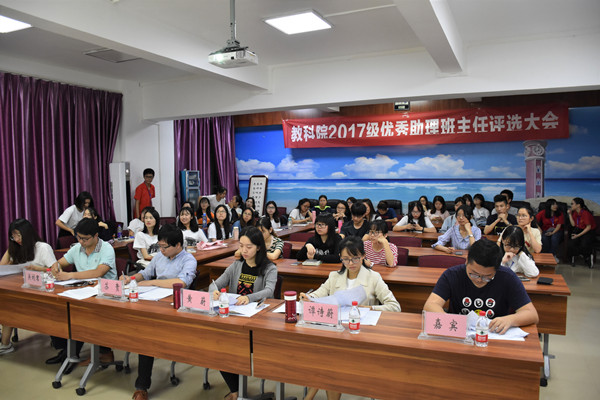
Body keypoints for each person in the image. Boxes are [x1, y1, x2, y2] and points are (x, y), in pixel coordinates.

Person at [300, 236, 401, 400]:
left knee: (329, 360)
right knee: (327, 358)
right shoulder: (334, 276)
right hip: (336, 332)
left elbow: (395, 307)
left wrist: (370, 308)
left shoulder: (373, 277)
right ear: (340, 258)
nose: (351, 263)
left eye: (355, 258)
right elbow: (318, 294)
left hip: (361, 336)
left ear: (363, 256)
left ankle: (308, 397)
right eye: (346, 259)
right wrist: (308, 297)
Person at [124, 225, 197, 400]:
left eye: (165, 247)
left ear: (178, 245)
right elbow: (145, 273)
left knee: (147, 334)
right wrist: (131, 278)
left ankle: (142, 387)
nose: (161, 250)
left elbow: (181, 282)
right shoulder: (159, 257)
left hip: (176, 308)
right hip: (154, 302)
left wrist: (151, 283)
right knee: (143, 332)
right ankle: (141, 385)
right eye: (160, 246)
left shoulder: (188, 260)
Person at [210, 226, 277, 400]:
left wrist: (249, 298)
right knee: (217, 346)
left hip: (257, 321)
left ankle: (238, 392)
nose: (244, 251)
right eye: (241, 246)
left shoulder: (269, 268)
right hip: (234, 318)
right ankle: (235, 390)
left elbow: (269, 290)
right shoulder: (236, 265)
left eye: (249, 247)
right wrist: (213, 291)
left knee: (233, 346)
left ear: (259, 247)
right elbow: (215, 284)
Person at [423, 239, 539, 333]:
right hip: (460, 334)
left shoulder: (507, 277)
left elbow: (532, 315)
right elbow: (430, 305)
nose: (479, 280)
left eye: (487, 276)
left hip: (494, 335)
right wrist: (451, 321)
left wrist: (511, 319)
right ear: (467, 261)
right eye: (473, 274)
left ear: (497, 269)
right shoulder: (452, 274)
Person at [47, 218, 117, 369]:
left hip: (106, 295)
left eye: (85, 239)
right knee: (58, 310)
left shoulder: (106, 248)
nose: (81, 241)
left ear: (96, 235)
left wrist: (70, 275)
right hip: (83, 292)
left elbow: (98, 272)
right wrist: (55, 267)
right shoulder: (77, 248)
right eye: (78, 237)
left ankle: (81, 354)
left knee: (80, 315)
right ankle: (68, 352)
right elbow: (60, 262)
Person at [1, 219, 57, 355]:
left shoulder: (42, 248)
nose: (16, 239)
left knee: (9, 306)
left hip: (42, 291)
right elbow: (2, 268)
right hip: (22, 289)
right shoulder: (17, 247)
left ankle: (5, 344)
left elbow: (56, 271)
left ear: (27, 234)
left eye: (19, 235)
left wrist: (37, 269)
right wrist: (10, 248)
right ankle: (5, 343)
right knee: (6, 303)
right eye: (13, 236)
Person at [567, 197, 596, 267]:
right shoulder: (575, 213)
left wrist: (578, 235)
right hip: (579, 230)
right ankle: (577, 256)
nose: (571, 205)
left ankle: (588, 256)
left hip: (588, 231)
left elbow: (588, 227)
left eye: (572, 204)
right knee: (570, 244)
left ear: (578, 205)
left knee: (584, 244)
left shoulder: (585, 213)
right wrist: (570, 214)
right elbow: (573, 224)